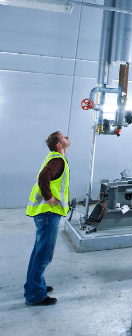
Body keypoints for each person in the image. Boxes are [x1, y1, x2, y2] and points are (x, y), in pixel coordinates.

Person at [24, 131, 71, 306]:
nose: (68, 138)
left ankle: (34, 286)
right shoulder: (58, 160)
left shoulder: (54, 157)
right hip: (48, 213)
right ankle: (35, 295)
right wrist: (48, 197)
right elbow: (44, 177)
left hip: (44, 214)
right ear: (59, 145)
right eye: (64, 137)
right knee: (44, 255)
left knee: (38, 252)